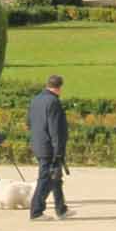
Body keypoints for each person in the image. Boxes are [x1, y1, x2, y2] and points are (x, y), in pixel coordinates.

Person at [27, 74, 69, 221]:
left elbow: (29, 123)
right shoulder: (53, 102)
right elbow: (55, 129)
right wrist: (58, 151)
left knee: (55, 177)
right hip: (49, 147)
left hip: (38, 144)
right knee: (45, 178)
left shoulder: (36, 100)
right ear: (59, 88)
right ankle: (36, 211)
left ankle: (61, 210)